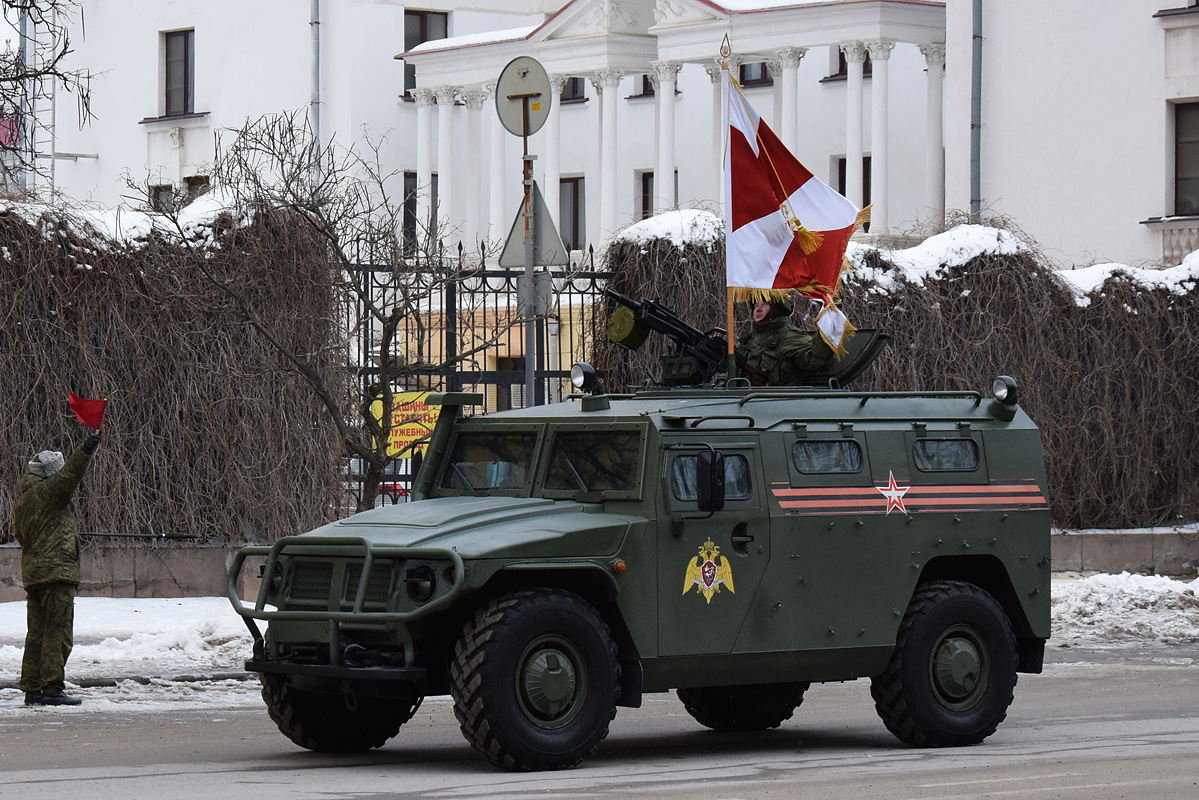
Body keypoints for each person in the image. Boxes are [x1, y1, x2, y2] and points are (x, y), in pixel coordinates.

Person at [16, 430, 101, 706]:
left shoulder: (25, 498)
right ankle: (52, 688)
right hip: (56, 573)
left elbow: (23, 535)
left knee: (38, 632)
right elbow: (69, 477)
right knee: (58, 631)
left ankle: (33, 689)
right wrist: (86, 449)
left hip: (35, 574)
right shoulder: (48, 491)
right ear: (50, 474)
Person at [738, 298, 834, 385]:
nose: (758, 309)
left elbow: (815, 360)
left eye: (764, 304)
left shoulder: (790, 336)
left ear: (776, 309)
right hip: (739, 397)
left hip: (774, 399)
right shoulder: (749, 338)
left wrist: (827, 326)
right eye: (756, 305)